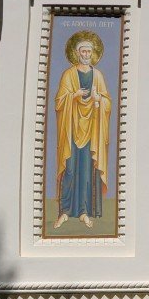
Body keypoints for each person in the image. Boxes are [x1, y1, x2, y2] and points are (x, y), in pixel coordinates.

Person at [54, 32, 112, 229]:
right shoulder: (68, 75)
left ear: (92, 53)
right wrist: (74, 95)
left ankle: (84, 212)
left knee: (86, 171)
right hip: (71, 128)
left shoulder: (98, 76)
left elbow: (107, 103)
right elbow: (59, 102)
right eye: (83, 51)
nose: (86, 54)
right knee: (70, 169)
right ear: (77, 53)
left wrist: (98, 99)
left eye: (88, 51)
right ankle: (64, 212)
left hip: (91, 131)